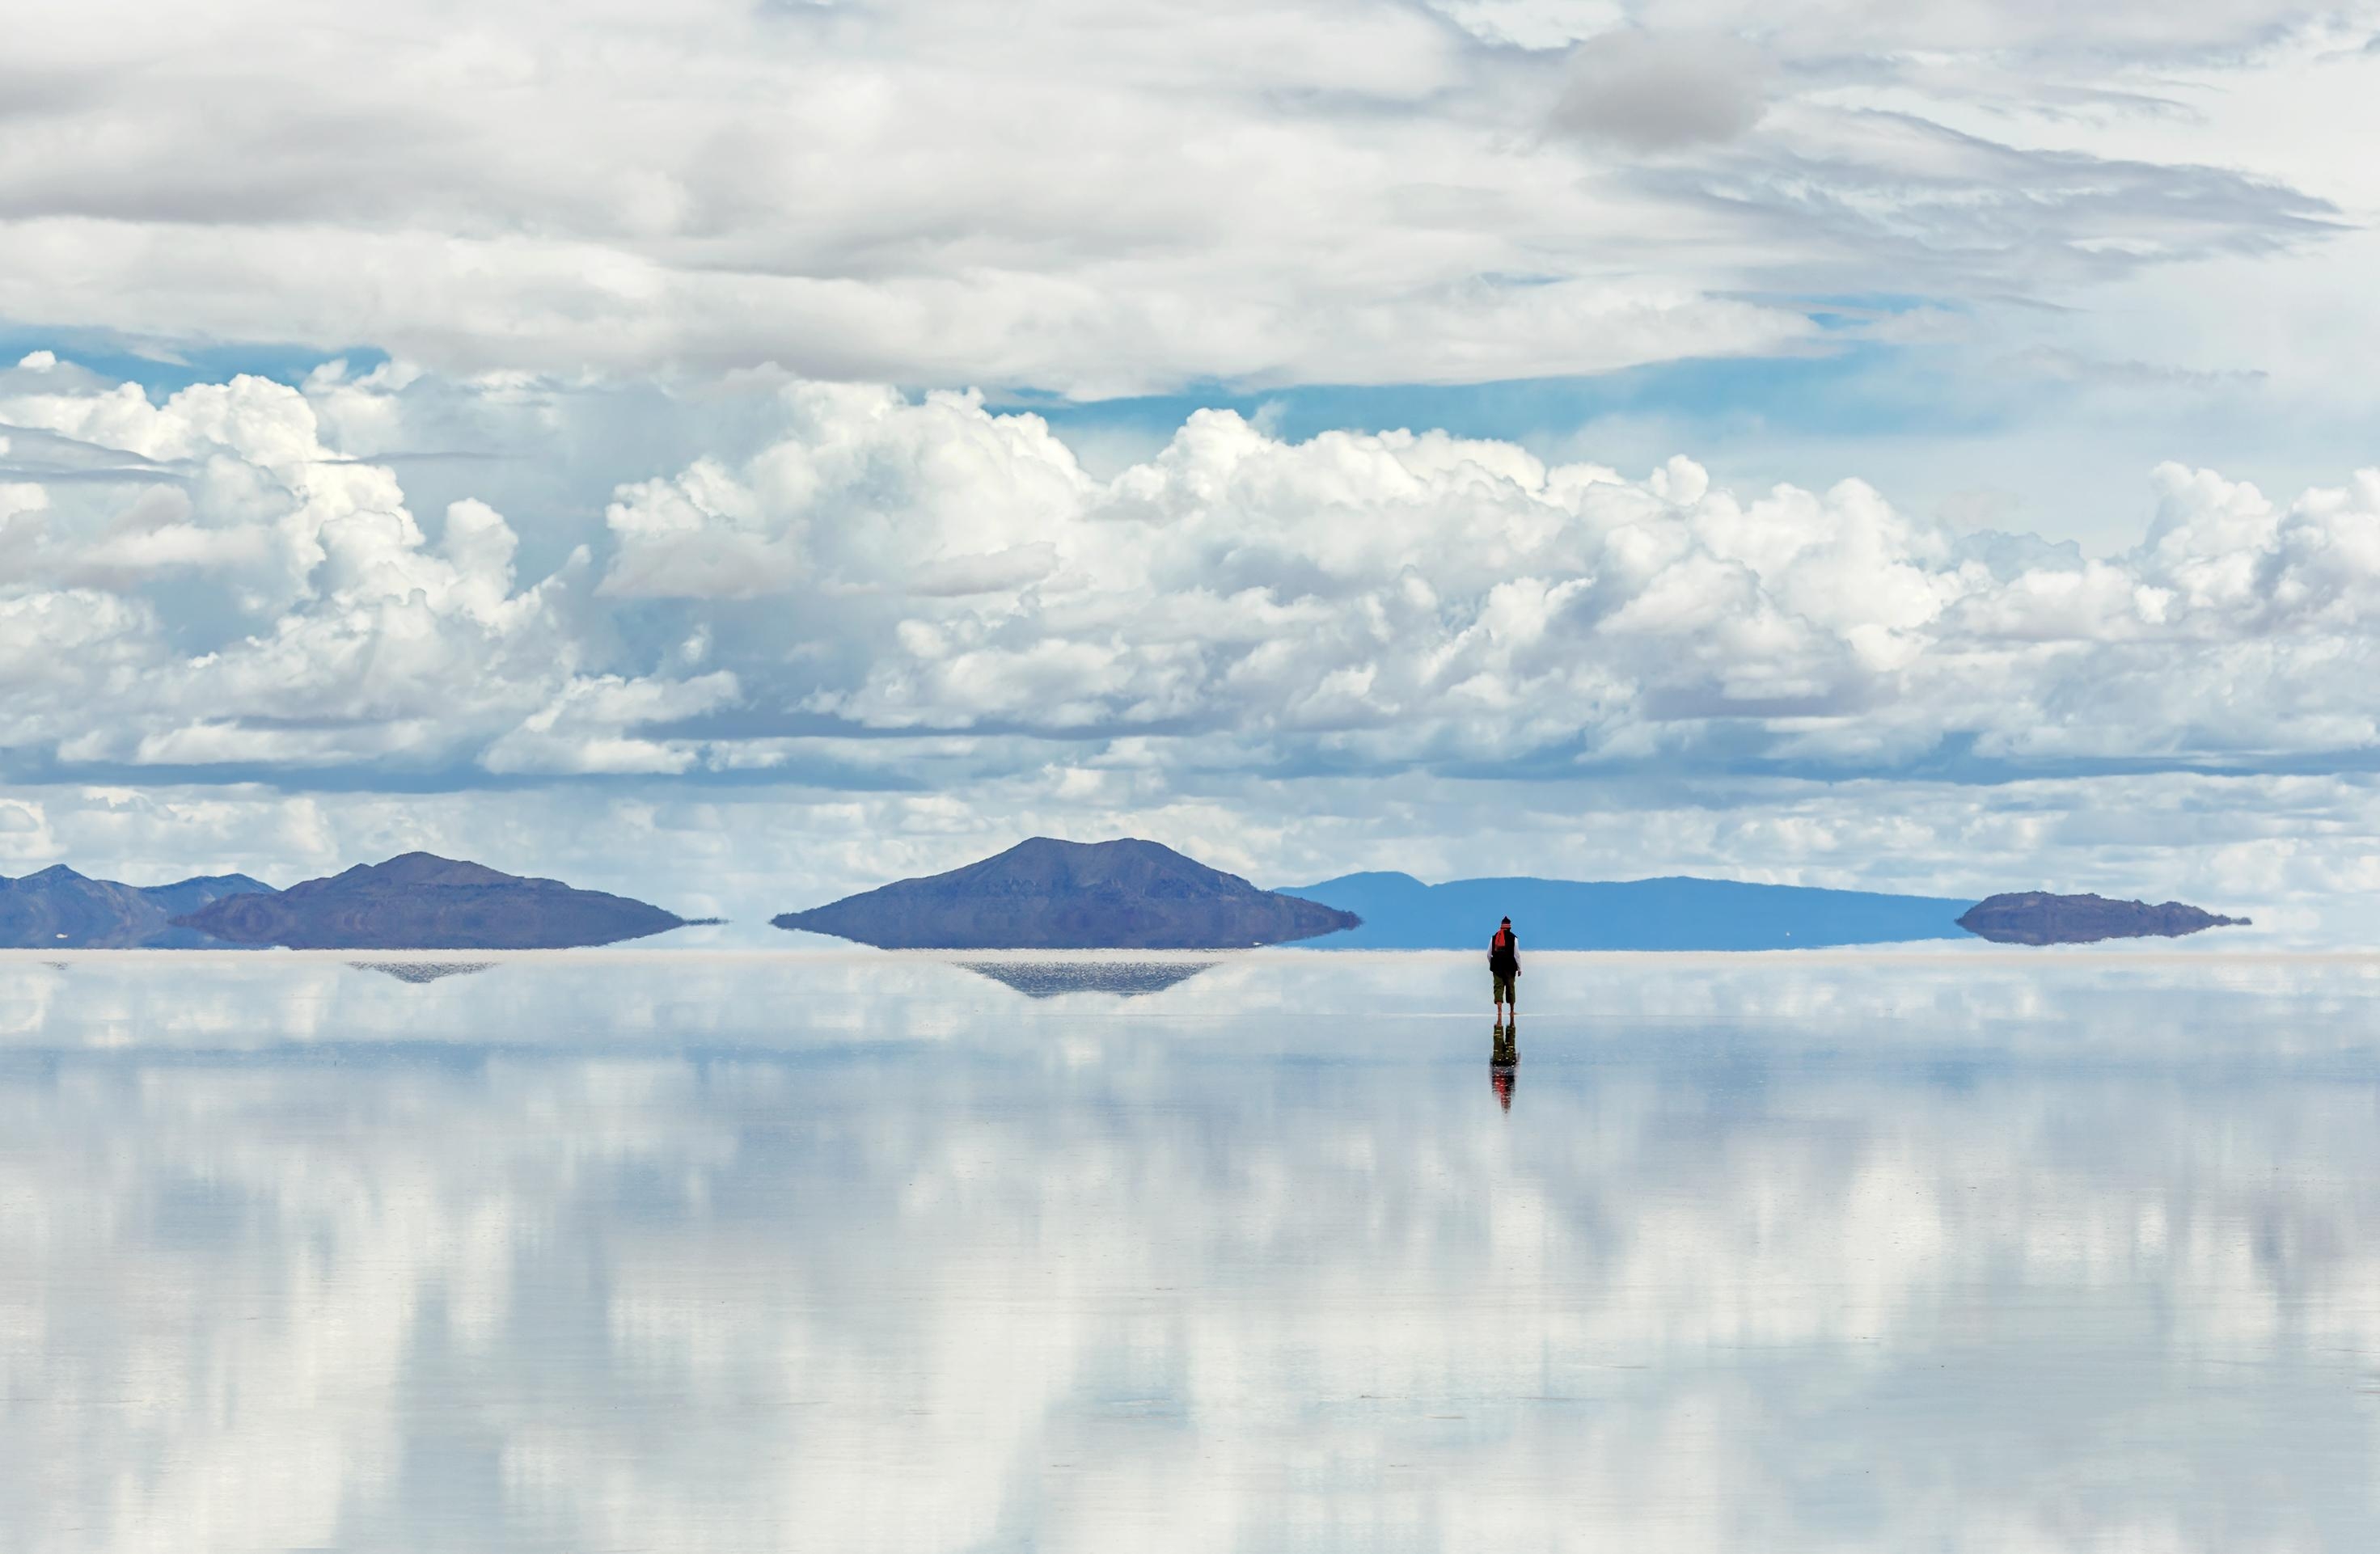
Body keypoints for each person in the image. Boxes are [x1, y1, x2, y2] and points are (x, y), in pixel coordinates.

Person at [1489, 915, 1520, 1027]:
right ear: (1510, 927)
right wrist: (1520, 969)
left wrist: (1493, 964)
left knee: (1498, 988)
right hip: (1510, 968)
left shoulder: (1494, 937)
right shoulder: (1514, 938)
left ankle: (1499, 1011)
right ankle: (1512, 1011)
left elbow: (1489, 954)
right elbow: (1517, 955)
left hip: (1497, 968)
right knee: (1510, 988)